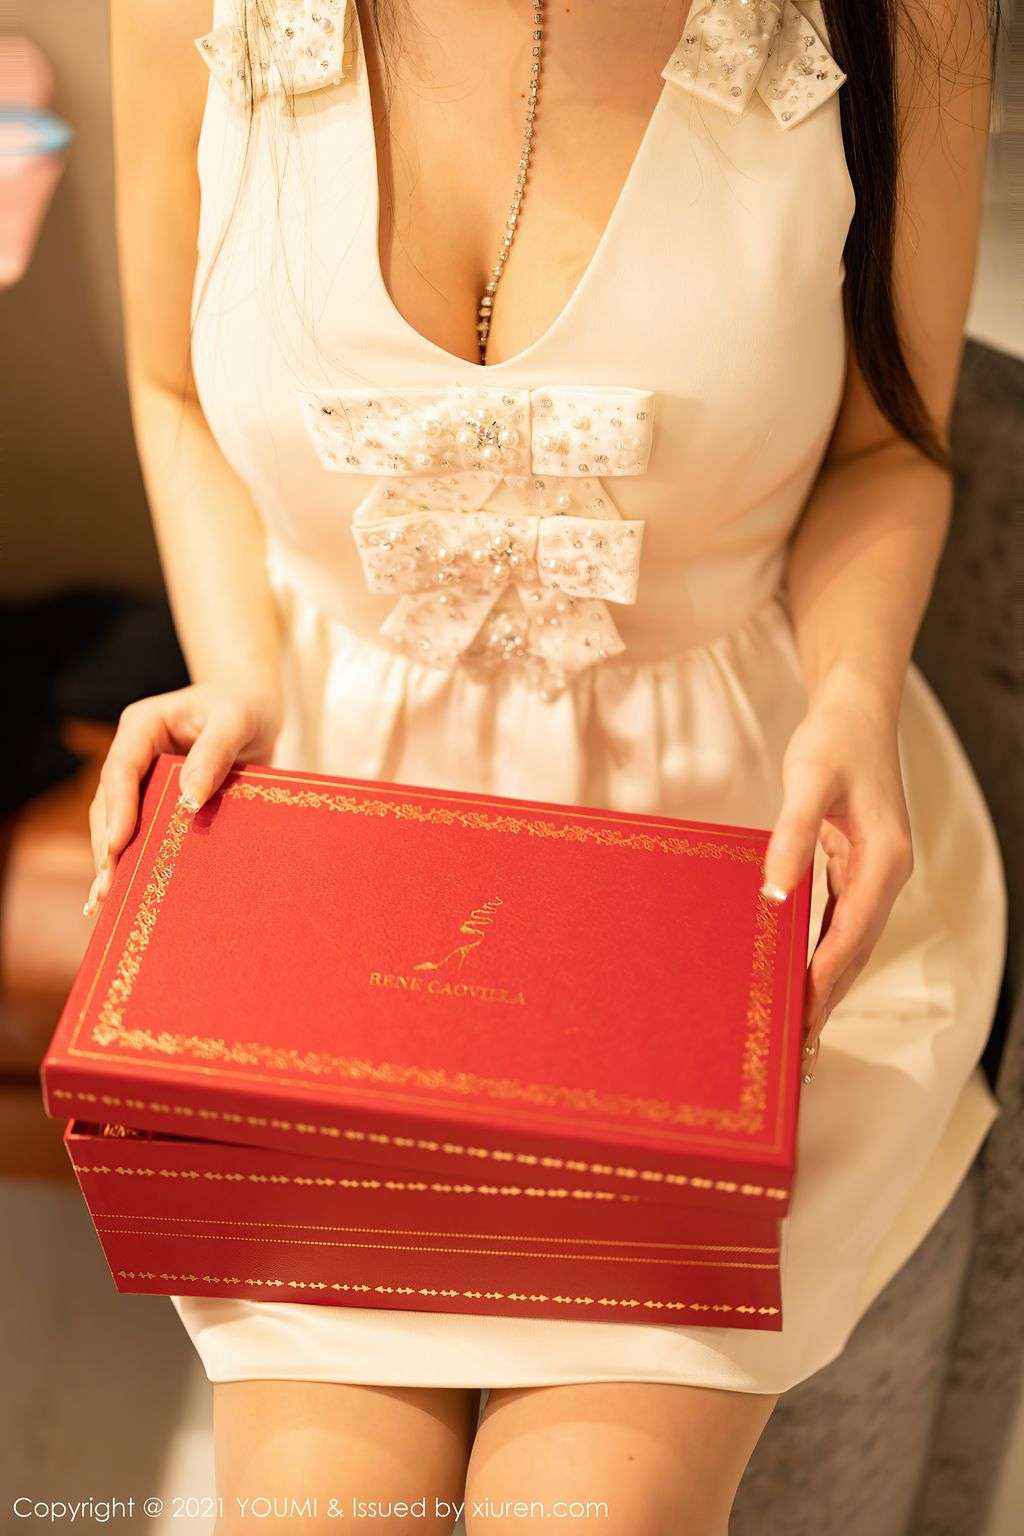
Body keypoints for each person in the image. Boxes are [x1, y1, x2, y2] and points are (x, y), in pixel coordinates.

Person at [88, 2, 1006, 1531]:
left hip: (721, 848)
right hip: (339, 845)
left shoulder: (907, 20)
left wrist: (853, 703)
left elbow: (884, 446)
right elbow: (173, 387)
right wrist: (237, 664)